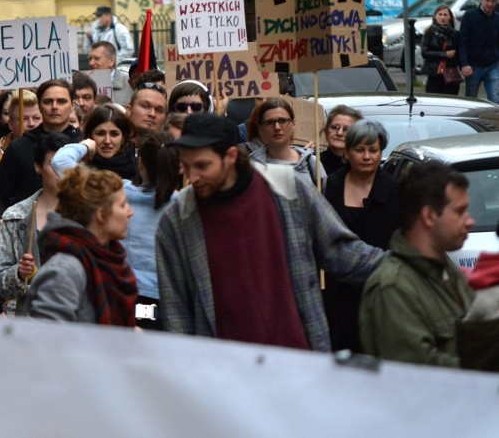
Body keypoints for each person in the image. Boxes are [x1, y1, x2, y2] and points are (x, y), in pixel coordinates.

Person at [155, 113, 383, 351]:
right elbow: (176, 314)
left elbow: (342, 252)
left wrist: (407, 269)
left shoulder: (287, 189)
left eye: (203, 166)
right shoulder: (177, 221)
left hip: (296, 363)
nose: (192, 177)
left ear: (231, 157)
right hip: (223, 374)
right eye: (186, 166)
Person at [360, 161, 475, 367]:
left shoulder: (446, 271)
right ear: (429, 216)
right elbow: (417, 375)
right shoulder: (393, 288)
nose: (470, 221)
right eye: (460, 211)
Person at [24, 164, 137, 326]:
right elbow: (45, 341)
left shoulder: (108, 260)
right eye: (122, 205)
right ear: (101, 215)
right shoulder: (65, 271)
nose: (130, 212)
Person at [322, 120, 398, 352]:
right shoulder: (331, 186)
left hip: (382, 288)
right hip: (340, 292)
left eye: (373, 150)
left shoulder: (395, 190)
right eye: (360, 150)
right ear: (347, 152)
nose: (367, 156)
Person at [0, 133, 71, 314]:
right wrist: (19, 274)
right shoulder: (16, 216)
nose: (62, 171)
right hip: (31, 321)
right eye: (54, 164)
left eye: (66, 163)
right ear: (38, 167)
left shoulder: (89, 215)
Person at [122, 132, 180, 329]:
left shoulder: (119, 192)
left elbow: (61, 163)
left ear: (141, 164)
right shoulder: (185, 204)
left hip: (125, 295)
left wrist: (87, 145)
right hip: (163, 302)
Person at [0, 79, 81, 212]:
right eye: (48, 101)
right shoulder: (18, 147)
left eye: (61, 101)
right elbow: (0, 194)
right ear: (40, 106)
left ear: (72, 106)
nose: (54, 106)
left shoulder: (84, 144)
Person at [249, 98, 324, 186]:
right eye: (270, 122)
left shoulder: (312, 163)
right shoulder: (251, 167)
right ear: (260, 127)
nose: (277, 127)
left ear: (294, 124)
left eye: (282, 121)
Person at [51, 105, 137, 180]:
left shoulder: (138, 168)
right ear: (90, 136)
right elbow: (59, 161)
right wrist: (85, 146)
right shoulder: (81, 171)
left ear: (123, 137)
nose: (107, 141)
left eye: (114, 134)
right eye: (100, 133)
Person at [0, 90, 40, 167]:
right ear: (10, 124)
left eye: (36, 118)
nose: (31, 124)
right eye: (24, 119)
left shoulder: (54, 151)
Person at [458, 0, 499, 102]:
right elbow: (463, 41)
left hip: (493, 64)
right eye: (487, 0)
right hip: (473, 65)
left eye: (493, 1)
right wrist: (464, 63)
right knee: (471, 99)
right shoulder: (470, 16)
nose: (490, 4)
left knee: (495, 98)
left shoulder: (497, 18)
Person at [421, 4, 462, 95]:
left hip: (450, 73)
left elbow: (461, 51)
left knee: (451, 99)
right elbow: (424, 53)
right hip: (434, 73)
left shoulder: (455, 34)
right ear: (435, 17)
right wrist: (445, 54)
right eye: (440, 14)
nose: (442, 17)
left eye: (445, 15)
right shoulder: (429, 33)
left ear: (450, 17)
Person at [319, 105, 363, 176]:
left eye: (346, 129)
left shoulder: (363, 163)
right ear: (326, 132)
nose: (339, 133)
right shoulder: (314, 163)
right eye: (334, 127)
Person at [88, 41, 132, 107]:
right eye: (90, 59)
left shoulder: (129, 83)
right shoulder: (84, 83)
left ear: (111, 61)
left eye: (97, 59)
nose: (91, 63)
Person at [126, 81, 168, 145]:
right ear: (129, 110)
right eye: (145, 106)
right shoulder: (110, 149)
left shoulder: (171, 153)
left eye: (159, 110)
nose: (152, 114)